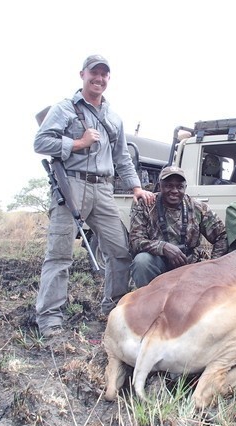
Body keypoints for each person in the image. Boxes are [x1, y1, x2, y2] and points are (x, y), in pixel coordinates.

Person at [34, 54, 154, 337]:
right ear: (82, 75)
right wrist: (78, 143)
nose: (98, 79)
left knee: (120, 251)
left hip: (104, 188)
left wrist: (136, 187)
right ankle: (50, 319)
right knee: (59, 255)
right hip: (72, 184)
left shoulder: (113, 117)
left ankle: (112, 309)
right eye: (93, 73)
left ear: (108, 78)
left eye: (104, 74)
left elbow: (122, 156)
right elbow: (41, 142)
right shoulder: (64, 108)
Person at [129, 166, 228, 287]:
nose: (174, 191)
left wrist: (213, 265)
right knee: (142, 261)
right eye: (169, 186)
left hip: (189, 264)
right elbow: (135, 241)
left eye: (179, 187)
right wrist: (163, 247)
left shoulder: (198, 208)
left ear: (185, 188)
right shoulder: (146, 205)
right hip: (158, 261)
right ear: (160, 186)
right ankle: (147, 301)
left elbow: (222, 236)